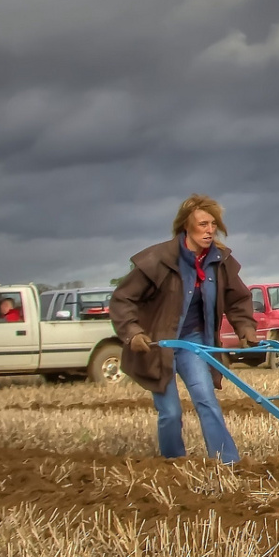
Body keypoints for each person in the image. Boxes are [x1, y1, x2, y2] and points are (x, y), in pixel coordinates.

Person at [110, 194, 258, 464]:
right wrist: (133, 333)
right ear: (186, 227)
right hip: (157, 344)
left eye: (213, 224)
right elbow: (122, 300)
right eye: (202, 224)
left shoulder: (219, 261)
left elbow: (238, 299)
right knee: (170, 412)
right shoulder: (158, 260)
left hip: (191, 341)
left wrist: (245, 328)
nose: (209, 230)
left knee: (205, 399)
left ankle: (228, 461)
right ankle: (173, 462)